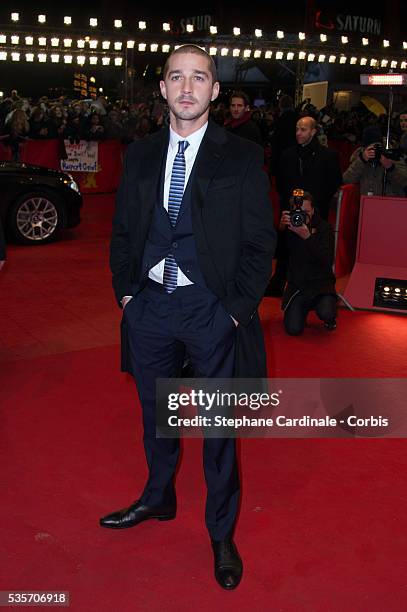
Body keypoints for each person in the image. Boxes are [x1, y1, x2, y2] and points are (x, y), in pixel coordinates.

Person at [101, 44, 276, 590]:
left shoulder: (242, 155)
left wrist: (233, 312)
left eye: (198, 77)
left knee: (218, 428)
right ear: (162, 88)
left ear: (214, 90)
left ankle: (221, 533)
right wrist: (127, 297)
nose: (186, 87)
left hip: (210, 311)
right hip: (150, 306)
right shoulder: (141, 154)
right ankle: (159, 497)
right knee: (159, 417)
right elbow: (124, 231)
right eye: (176, 77)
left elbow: (260, 243)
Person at [265, 115, 342, 296]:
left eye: (303, 129)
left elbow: (334, 182)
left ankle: (317, 289)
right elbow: (281, 183)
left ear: (313, 132)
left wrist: (314, 205)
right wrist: (290, 203)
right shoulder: (288, 155)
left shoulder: (329, 156)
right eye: (297, 129)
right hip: (290, 208)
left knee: (314, 248)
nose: (298, 133)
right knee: (285, 249)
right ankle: (279, 283)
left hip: (317, 212)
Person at [280, 191, 337, 335]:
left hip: (321, 284)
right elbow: (275, 252)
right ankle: (301, 310)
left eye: (306, 211)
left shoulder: (325, 228)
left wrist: (307, 237)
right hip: (298, 286)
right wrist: (280, 228)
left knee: (327, 313)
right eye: (298, 211)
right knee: (293, 329)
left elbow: (327, 260)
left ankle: (329, 315)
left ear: (313, 210)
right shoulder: (289, 226)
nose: (301, 216)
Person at [343, 125, 407, 196]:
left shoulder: (392, 155)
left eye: (376, 146)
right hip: (367, 202)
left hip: (390, 202)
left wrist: (391, 167)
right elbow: (346, 180)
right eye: (370, 147)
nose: (373, 151)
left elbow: (405, 181)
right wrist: (362, 160)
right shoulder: (359, 156)